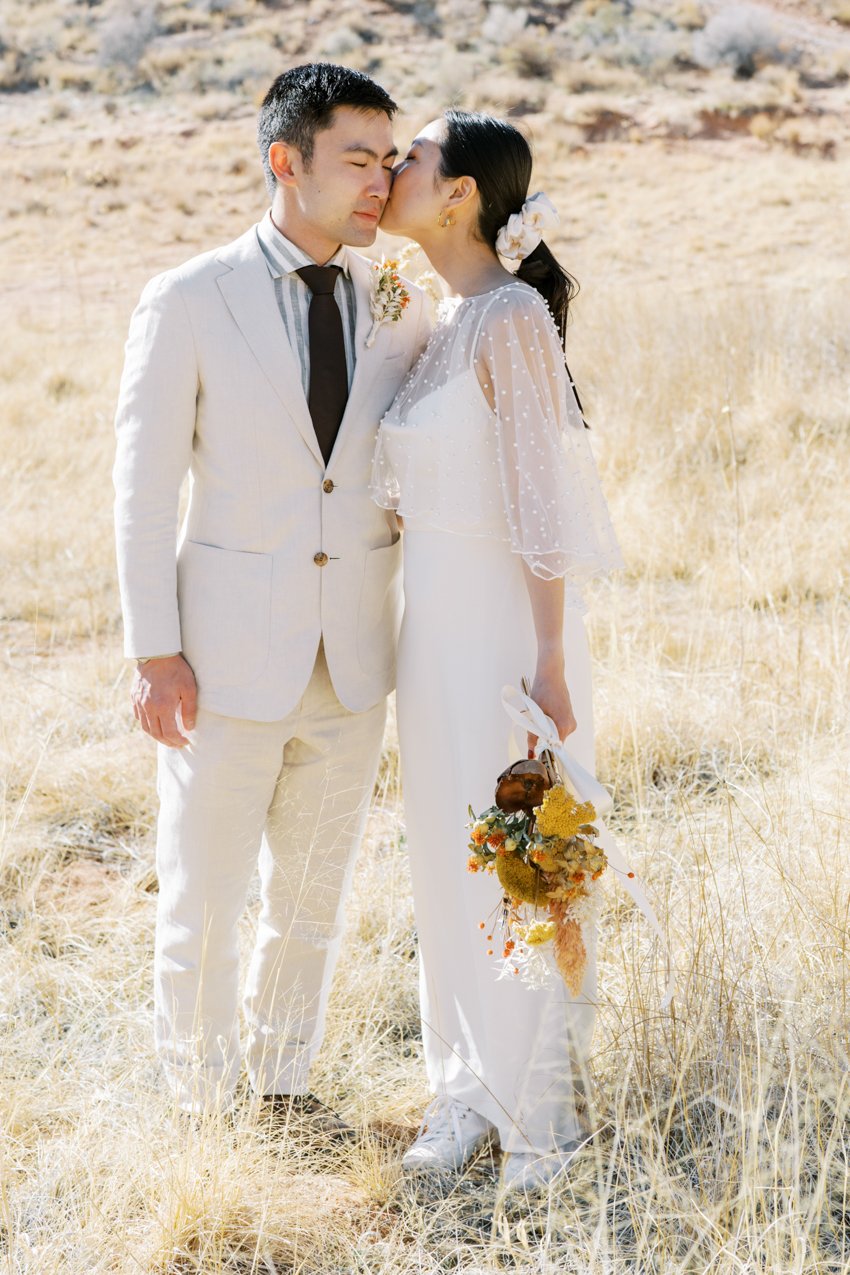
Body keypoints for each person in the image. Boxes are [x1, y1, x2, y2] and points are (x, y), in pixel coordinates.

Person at [113, 63, 431, 1127]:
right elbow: (144, 489)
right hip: (220, 662)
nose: (380, 182)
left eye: (389, 161)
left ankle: (283, 1083)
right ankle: (201, 1106)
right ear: (283, 161)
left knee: (310, 898)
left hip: (355, 659)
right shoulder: (189, 298)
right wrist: (154, 651)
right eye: (357, 159)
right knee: (201, 900)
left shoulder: (395, 301)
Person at [370, 111, 624, 1192]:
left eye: (411, 160)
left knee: (517, 858)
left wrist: (551, 660)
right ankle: (465, 1084)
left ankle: (536, 1117)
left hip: (498, 636)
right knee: (444, 856)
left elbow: (539, 501)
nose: (390, 174)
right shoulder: (437, 319)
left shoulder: (509, 316)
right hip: (427, 631)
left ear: (462, 192)